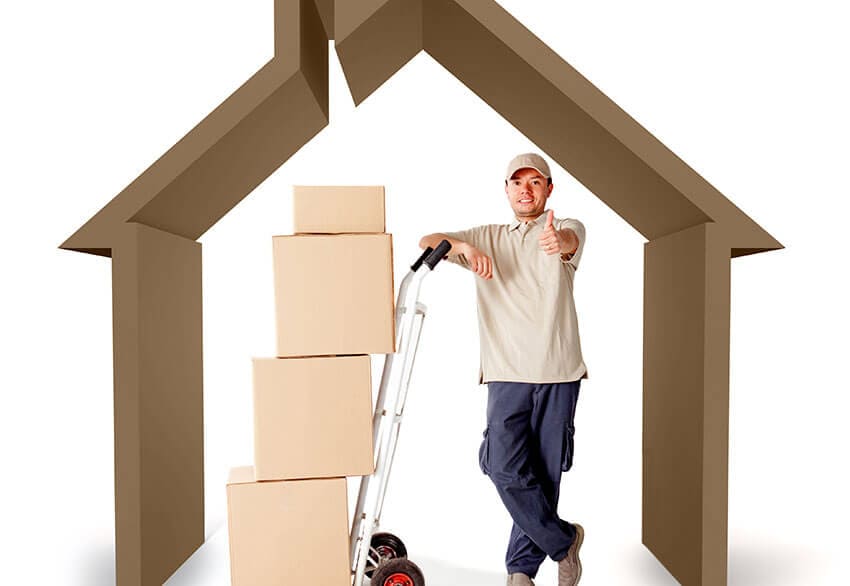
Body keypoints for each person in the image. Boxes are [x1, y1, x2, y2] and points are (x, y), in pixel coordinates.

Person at [419, 153, 588, 586]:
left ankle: (520, 572)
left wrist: (559, 242)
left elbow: (568, 240)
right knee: (503, 467)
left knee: (544, 475)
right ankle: (564, 541)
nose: (526, 190)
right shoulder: (487, 236)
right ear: (507, 189)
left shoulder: (565, 229)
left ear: (549, 189)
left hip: (557, 371)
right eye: (518, 182)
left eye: (536, 182)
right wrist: (463, 247)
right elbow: (427, 239)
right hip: (505, 372)